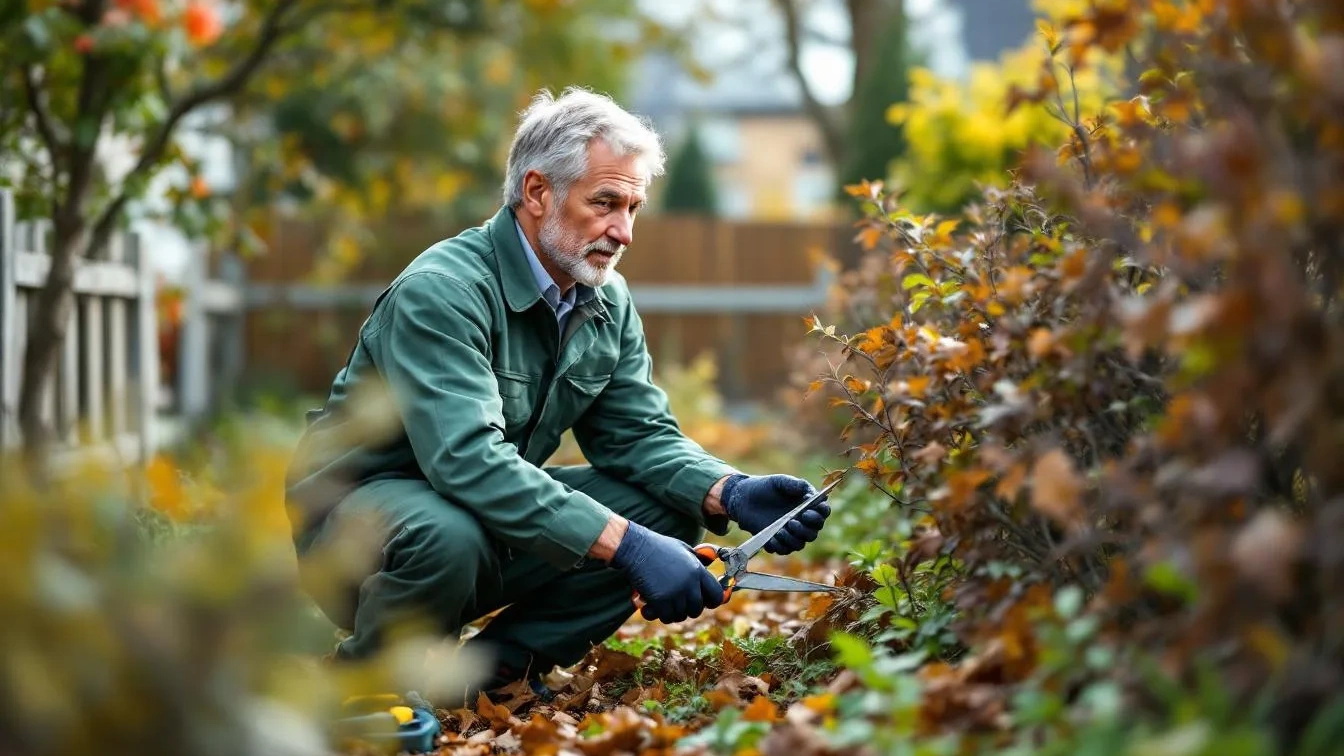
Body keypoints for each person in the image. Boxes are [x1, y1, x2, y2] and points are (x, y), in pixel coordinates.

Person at [284, 87, 831, 698]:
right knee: (451, 534)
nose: (623, 232)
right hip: (360, 536)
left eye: (633, 207)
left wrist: (729, 491)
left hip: (470, 511)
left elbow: (637, 435)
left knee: (665, 508)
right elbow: (465, 461)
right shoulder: (443, 291)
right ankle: (368, 685)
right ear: (538, 192)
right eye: (604, 203)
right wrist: (628, 548)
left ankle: (492, 677)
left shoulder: (604, 298)